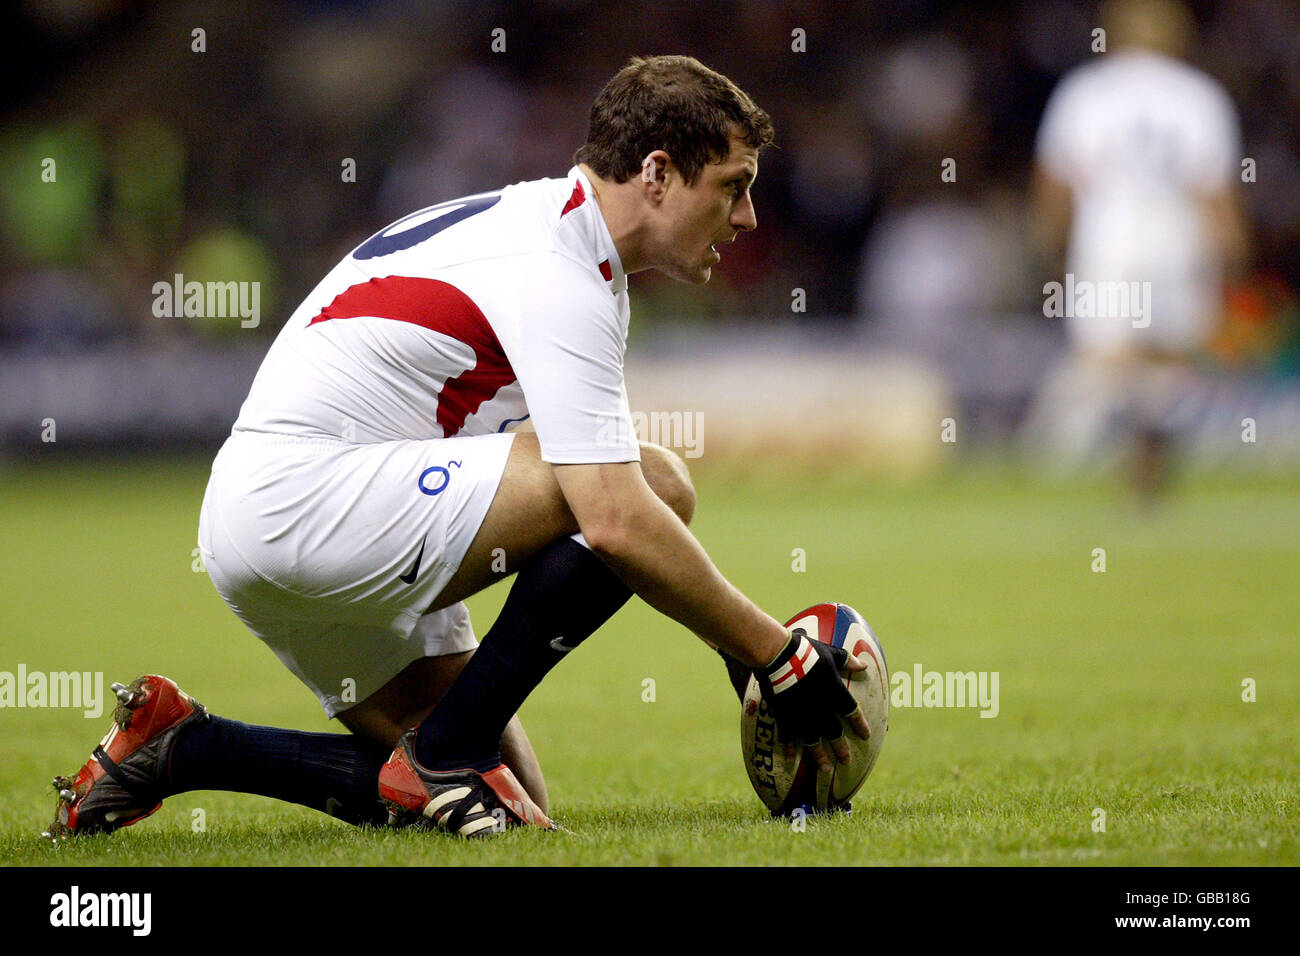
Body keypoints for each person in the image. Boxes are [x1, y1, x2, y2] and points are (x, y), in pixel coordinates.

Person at [46, 55, 870, 840]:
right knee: (656, 485)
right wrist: (776, 653)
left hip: (275, 515)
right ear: (656, 173)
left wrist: (741, 647)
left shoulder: (554, 235)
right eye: (734, 187)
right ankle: (442, 757)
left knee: (502, 797)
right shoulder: (558, 267)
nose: (748, 216)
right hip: (309, 497)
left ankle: (184, 747)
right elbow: (615, 517)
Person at [1023, 0, 1248, 498]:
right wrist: (1232, 251)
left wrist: (1049, 243)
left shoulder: (1086, 91)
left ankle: (1066, 448)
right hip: (1175, 233)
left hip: (1110, 231)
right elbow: (1211, 187)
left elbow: (1056, 180)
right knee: (1167, 353)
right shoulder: (1197, 95)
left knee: (1105, 353)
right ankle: (1144, 460)